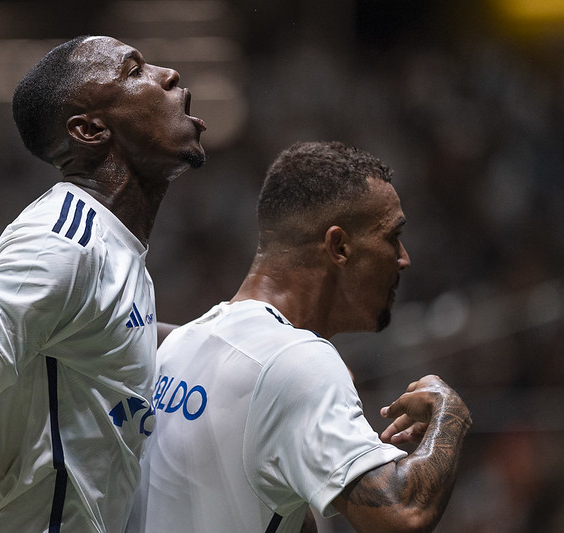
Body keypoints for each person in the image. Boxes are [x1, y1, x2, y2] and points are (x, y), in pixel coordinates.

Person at [0, 35, 207, 533]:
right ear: (89, 129)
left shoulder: (114, 250)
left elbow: (130, 337)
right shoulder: (62, 244)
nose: (168, 75)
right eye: (134, 70)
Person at [128, 141, 472, 533]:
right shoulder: (299, 360)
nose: (404, 258)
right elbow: (403, 515)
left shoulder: (181, 342)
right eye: (392, 236)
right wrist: (451, 412)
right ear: (339, 247)